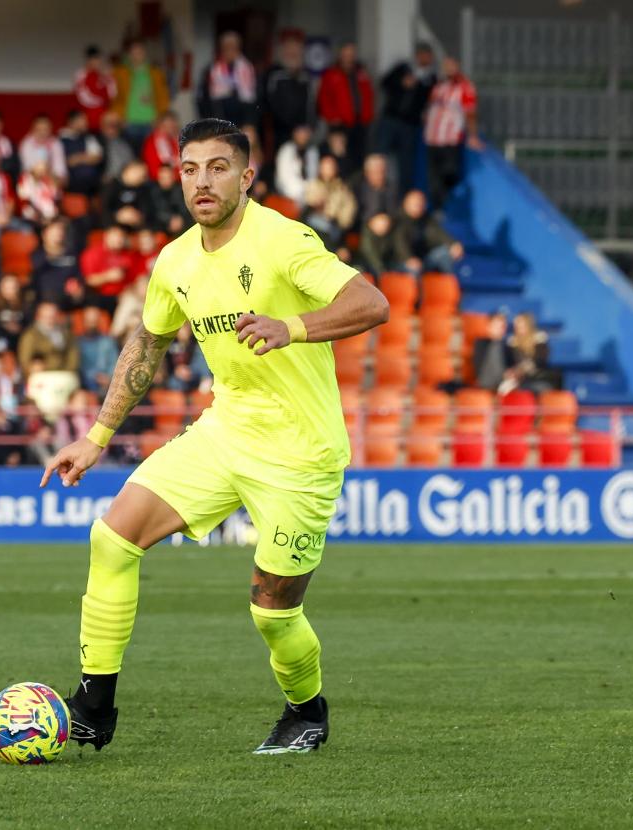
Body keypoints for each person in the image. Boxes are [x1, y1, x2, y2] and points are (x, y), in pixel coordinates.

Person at [39, 118, 389, 754]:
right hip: (225, 429)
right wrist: (98, 433)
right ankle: (94, 705)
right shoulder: (174, 261)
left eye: (219, 167)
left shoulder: (284, 240)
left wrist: (294, 327)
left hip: (300, 452)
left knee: (272, 611)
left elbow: (371, 302)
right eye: (190, 169)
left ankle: (306, 711)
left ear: (247, 177)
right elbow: (148, 341)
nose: (203, 181)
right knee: (113, 537)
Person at [377, 43, 436, 191]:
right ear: (416, 56)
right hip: (390, 120)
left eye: (427, 55)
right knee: (379, 157)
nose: (424, 58)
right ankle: (374, 192)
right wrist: (401, 83)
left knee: (406, 165)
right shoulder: (403, 68)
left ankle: (403, 199)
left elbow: (429, 101)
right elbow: (384, 83)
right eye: (421, 54)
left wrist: (419, 86)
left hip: (410, 125)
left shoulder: (431, 79)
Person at [424, 56, 480, 209]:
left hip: (450, 138)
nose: (448, 69)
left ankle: (448, 203)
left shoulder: (465, 86)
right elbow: (430, 107)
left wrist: (473, 136)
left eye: (451, 66)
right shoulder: (438, 86)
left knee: (450, 173)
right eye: (446, 66)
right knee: (433, 177)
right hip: (432, 138)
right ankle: (438, 209)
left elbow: (470, 113)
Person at [316, 43, 374, 171]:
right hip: (339, 124)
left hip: (360, 123)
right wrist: (331, 117)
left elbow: (368, 96)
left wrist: (368, 116)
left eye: (351, 54)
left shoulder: (361, 73)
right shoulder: (331, 74)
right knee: (339, 158)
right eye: (346, 54)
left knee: (359, 157)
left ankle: (356, 187)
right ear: (340, 55)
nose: (349, 57)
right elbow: (323, 98)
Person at [112, 39, 170, 152]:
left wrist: (160, 118)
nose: (136, 55)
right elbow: (115, 96)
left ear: (144, 53)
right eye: (133, 53)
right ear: (129, 55)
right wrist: (120, 116)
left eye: (139, 52)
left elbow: (163, 97)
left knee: (149, 154)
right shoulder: (120, 73)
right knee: (131, 156)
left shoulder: (155, 73)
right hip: (129, 121)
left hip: (150, 121)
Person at [390, 189, 464, 275]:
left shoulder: (427, 219)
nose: (418, 205)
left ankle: (447, 284)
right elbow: (399, 242)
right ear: (406, 203)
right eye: (415, 203)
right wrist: (408, 259)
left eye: (421, 203)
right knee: (414, 269)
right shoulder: (398, 220)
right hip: (400, 262)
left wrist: (452, 244)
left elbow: (439, 233)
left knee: (445, 253)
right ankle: (417, 288)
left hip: (423, 260)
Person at [259, 31, 313, 148]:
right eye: (289, 49)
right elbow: (269, 105)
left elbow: (310, 105)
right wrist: (293, 129)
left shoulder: (305, 76)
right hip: (279, 133)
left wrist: (307, 127)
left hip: (303, 133)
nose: (293, 52)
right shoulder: (273, 74)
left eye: (296, 49)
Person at [197, 31, 257, 127]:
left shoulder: (247, 68)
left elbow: (253, 98)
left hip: (241, 123)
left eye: (233, 48)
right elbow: (202, 99)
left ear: (238, 49)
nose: (230, 51)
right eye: (226, 47)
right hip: (217, 122)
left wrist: (249, 122)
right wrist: (208, 121)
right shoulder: (212, 70)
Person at [78, 224, 135, 311]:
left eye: (122, 236)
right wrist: (108, 276)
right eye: (116, 235)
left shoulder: (127, 255)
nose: (120, 239)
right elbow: (88, 280)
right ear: (106, 236)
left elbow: (132, 280)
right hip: (98, 298)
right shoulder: (92, 253)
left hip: (123, 297)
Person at [30, 220, 82, 309]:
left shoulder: (71, 254)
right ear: (44, 234)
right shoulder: (37, 255)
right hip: (45, 301)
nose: (58, 233)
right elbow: (35, 279)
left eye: (60, 230)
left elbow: (77, 276)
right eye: (54, 230)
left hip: (68, 301)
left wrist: (78, 289)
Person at [504, 312, 559, 394]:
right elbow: (509, 364)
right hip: (517, 380)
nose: (519, 328)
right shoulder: (512, 343)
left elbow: (540, 361)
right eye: (517, 326)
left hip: (537, 378)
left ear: (528, 325)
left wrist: (522, 370)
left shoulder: (539, 339)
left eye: (522, 325)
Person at [18, 301, 79, 373]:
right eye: (46, 317)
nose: (50, 320)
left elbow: (72, 354)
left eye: (52, 316)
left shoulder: (66, 333)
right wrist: (32, 368)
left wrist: (69, 370)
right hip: (42, 375)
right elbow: (25, 359)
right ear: (38, 317)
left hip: (64, 375)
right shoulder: (30, 335)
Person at [59, 109, 103, 196]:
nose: (86, 123)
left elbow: (97, 158)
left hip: (92, 184)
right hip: (71, 184)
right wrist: (85, 157)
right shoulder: (60, 139)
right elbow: (67, 161)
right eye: (82, 120)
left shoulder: (89, 137)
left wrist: (78, 158)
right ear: (71, 122)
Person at [273, 124, 319, 206]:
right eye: (300, 132)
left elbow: (313, 177)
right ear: (294, 133)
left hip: (308, 199)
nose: (302, 135)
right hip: (286, 198)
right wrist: (305, 191)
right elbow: (284, 180)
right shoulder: (286, 150)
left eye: (305, 132)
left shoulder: (313, 152)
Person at [73, 46, 116, 133]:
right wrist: (102, 100)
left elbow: (113, 93)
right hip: (87, 119)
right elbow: (83, 98)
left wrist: (108, 76)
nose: (96, 62)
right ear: (88, 60)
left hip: (104, 120)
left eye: (98, 59)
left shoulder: (104, 75)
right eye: (94, 59)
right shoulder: (81, 75)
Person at [77, 305, 118, 396]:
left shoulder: (108, 342)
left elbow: (114, 363)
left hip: (109, 384)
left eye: (94, 321)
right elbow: (80, 366)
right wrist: (95, 377)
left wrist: (109, 377)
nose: (92, 325)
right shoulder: (78, 343)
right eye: (89, 321)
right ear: (83, 321)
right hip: (86, 384)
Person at [352, 153, 399, 228]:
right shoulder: (358, 187)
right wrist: (372, 221)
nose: (380, 175)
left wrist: (387, 220)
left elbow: (395, 211)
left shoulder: (392, 188)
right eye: (376, 171)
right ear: (367, 173)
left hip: (388, 226)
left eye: (382, 171)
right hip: (363, 227)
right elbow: (356, 213)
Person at [18, 116, 66, 184]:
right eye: (39, 129)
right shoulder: (26, 143)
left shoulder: (56, 144)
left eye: (45, 129)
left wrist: (53, 177)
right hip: (31, 184)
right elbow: (29, 170)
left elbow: (61, 175)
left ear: (51, 129)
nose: (42, 133)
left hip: (52, 183)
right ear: (32, 129)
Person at [98, 112, 135, 185]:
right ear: (102, 126)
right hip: (108, 178)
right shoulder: (97, 141)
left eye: (115, 125)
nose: (112, 127)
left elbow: (132, 160)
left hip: (127, 176)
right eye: (109, 124)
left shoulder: (127, 141)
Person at [141, 111, 180, 181]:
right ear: (159, 125)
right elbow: (155, 169)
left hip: (177, 177)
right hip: (161, 180)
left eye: (172, 126)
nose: (169, 129)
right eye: (166, 126)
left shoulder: (174, 139)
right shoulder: (152, 141)